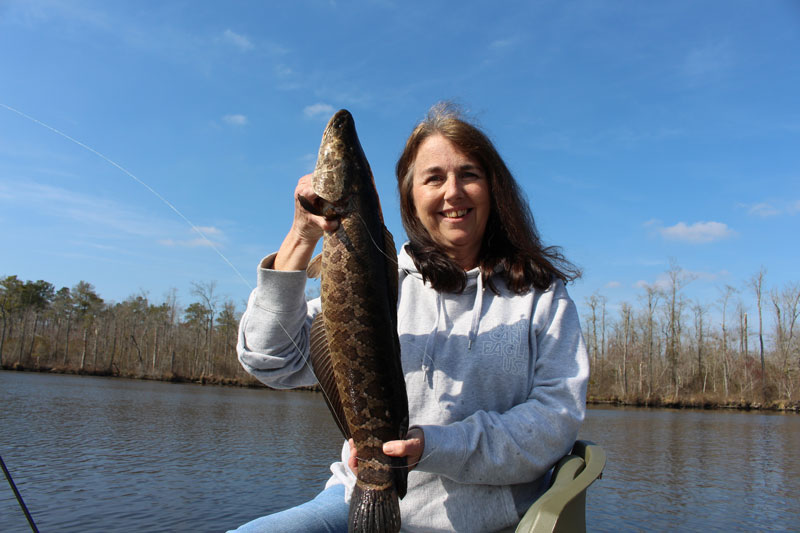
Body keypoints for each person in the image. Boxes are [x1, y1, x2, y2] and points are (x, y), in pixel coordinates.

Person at [232, 103, 589, 532]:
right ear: (410, 194)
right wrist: (302, 236)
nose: (452, 192)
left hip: (484, 521)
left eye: (469, 174)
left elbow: (556, 420)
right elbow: (270, 359)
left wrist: (435, 446)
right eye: (434, 178)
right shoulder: (381, 280)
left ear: (494, 189)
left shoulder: (540, 295)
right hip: (354, 497)